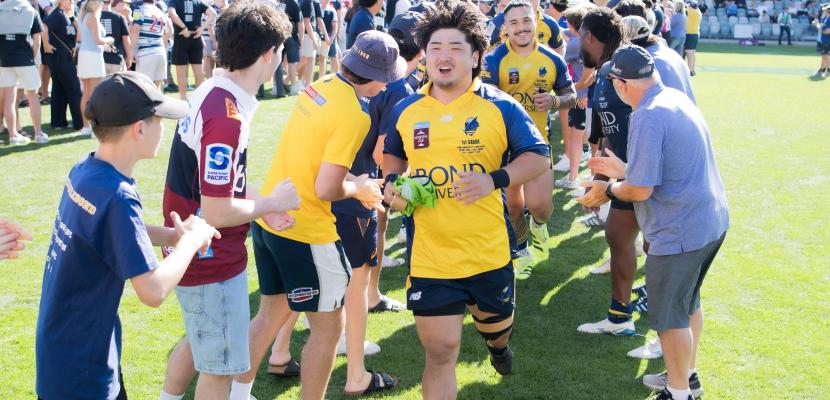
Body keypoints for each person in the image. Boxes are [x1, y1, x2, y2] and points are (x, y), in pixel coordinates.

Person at [383, 2, 550, 397]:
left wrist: (494, 180)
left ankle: (498, 347)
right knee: (440, 352)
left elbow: (539, 156)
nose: (444, 56)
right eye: (435, 47)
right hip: (431, 255)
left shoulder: (499, 106)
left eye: (456, 48)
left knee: (497, 328)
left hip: (488, 252)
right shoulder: (407, 108)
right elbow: (392, 152)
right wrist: (392, 183)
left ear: (476, 57)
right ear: (424, 55)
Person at [232, 30, 400, 400]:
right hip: (305, 228)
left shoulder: (320, 84)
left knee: (269, 314)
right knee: (327, 329)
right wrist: (357, 188)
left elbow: (316, 160)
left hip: (270, 215)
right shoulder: (355, 114)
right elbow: (326, 189)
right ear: (377, 79)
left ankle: (237, 393)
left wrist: (355, 180)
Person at [35, 71, 220, 400]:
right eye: (160, 120)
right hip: (82, 368)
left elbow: (106, 233)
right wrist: (190, 243)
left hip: (69, 348)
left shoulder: (87, 171)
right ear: (139, 129)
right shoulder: (118, 195)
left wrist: (172, 236)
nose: (164, 128)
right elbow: (152, 291)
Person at [156, 4, 298, 400]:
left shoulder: (213, 92)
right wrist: (270, 202)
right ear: (269, 53)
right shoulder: (228, 113)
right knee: (219, 370)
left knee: (199, 339)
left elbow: (219, 183)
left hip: (194, 249)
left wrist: (258, 200)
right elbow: (217, 210)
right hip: (210, 256)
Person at [578, 45, 729, 400]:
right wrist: (623, 171)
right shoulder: (673, 97)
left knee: (669, 316)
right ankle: (685, 377)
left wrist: (608, 189)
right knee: (688, 304)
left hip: (680, 229)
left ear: (621, 83)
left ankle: (679, 393)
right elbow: (662, 172)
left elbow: (641, 190)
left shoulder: (647, 115)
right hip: (709, 222)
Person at [481, 0, 576, 278]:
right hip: (503, 146)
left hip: (536, 143)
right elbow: (484, 100)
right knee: (513, 205)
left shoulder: (552, 59)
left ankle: (537, 225)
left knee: (540, 207)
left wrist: (555, 99)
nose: (521, 28)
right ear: (505, 28)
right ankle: (522, 251)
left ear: (536, 21)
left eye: (526, 21)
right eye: (514, 23)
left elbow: (571, 96)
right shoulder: (494, 59)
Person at [0, 0, 48, 145]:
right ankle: (38, 133)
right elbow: (37, 40)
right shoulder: (30, 11)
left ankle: (13, 135)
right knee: (32, 95)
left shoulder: (1, 9)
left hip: (5, 60)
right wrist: (32, 58)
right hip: (25, 58)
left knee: (9, 98)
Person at [43, 0, 84, 131]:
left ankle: (58, 122)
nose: (71, 2)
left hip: (63, 57)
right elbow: (44, 25)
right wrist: (46, 44)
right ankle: (80, 122)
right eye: (69, 0)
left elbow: (77, 37)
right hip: (59, 57)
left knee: (59, 89)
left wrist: (76, 25)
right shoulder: (57, 14)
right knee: (74, 88)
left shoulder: (67, 16)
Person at [77, 0, 115, 136]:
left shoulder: (83, 16)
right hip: (92, 57)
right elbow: (98, 40)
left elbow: (87, 39)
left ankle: (86, 126)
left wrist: (103, 44)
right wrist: (109, 40)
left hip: (85, 55)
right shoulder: (92, 16)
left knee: (86, 92)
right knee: (94, 93)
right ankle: (93, 127)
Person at [167, 0, 216, 99]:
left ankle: (184, 100)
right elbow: (213, 13)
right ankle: (199, 99)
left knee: (181, 73)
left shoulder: (174, 1)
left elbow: (171, 13)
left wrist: (184, 28)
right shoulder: (198, 2)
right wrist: (202, 29)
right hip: (196, 37)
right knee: (198, 72)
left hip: (181, 39)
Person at [486, 0, 566, 55]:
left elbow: (559, 47)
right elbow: (483, 44)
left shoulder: (549, 23)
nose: (528, 2)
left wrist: (556, 68)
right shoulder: (500, 19)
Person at [131, 0, 170, 88]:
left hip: (146, 53)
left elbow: (135, 29)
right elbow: (165, 34)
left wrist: (132, 50)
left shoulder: (139, 10)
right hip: (161, 53)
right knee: (157, 90)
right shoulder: (161, 12)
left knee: (143, 89)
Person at [101, 0, 132, 74]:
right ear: (111, 1)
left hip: (99, 59)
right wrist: (129, 58)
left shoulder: (94, 17)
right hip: (117, 59)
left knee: (100, 85)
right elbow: (126, 40)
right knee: (118, 85)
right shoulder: (120, 17)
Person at [201, 0, 225, 79]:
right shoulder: (209, 5)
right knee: (208, 58)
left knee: (219, 60)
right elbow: (209, 25)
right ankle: (209, 80)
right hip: (207, 36)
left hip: (221, 38)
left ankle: (218, 80)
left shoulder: (226, 5)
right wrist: (214, 41)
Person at [813, 5, 830, 78]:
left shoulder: (829, 19)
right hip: (823, 40)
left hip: (827, 40)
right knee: (824, 56)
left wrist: (817, 25)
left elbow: (827, 31)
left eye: (825, 10)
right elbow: (821, 28)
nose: (824, 11)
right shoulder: (825, 18)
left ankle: (827, 71)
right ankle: (822, 71)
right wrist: (817, 24)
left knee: (826, 56)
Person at [684, 0, 700, 75]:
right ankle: (692, 70)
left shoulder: (692, 11)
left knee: (689, 52)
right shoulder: (697, 11)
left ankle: (690, 70)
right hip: (694, 33)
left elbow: (682, 8)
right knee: (692, 53)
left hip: (691, 34)